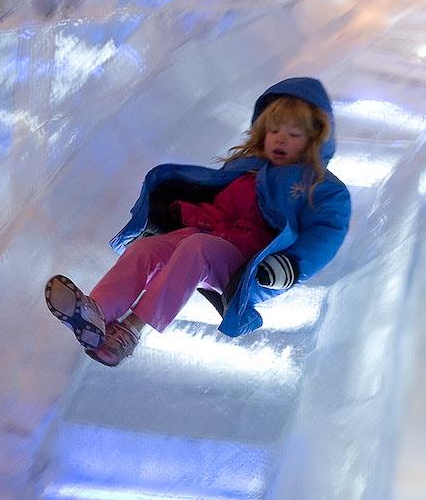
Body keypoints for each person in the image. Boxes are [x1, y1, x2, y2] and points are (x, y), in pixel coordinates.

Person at [45, 77, 351, 366]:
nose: (281, 140)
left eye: (294, 134)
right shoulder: (247, 168)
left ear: (315, 139)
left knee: (197, 248)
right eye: (275, 131)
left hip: (253, 263)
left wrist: (290, 267)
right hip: (214, 237)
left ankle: (131, 330)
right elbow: (218, 207)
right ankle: (96, 312)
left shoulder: (320, 186)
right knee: (147, 249)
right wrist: (179, 209)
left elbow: (326, 233)